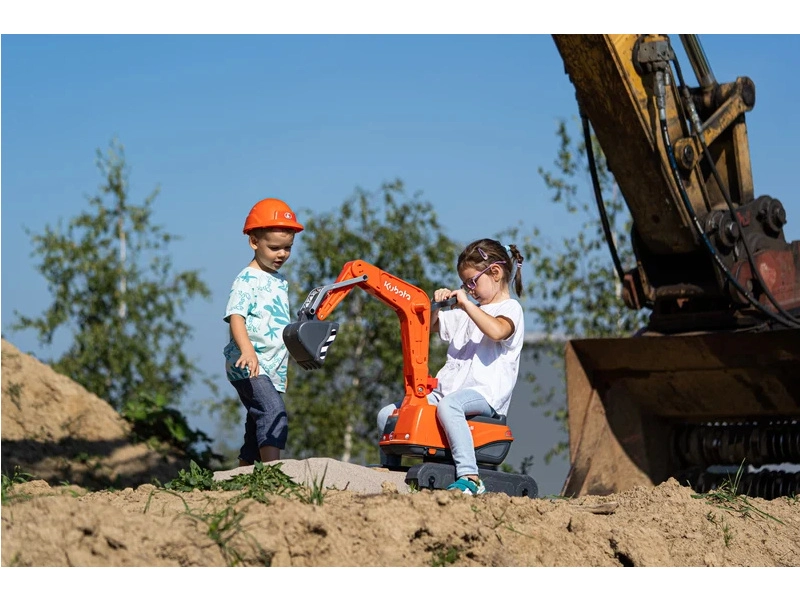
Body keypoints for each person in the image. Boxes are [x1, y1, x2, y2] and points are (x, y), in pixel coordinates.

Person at [376, 238, 525, 495]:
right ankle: (391, 467)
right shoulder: (466, 313)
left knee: (451, 405)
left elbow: (498, 331)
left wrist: (466, 303)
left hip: (484, 395)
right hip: (447, 393)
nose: (469, 289)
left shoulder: (510, 309)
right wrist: (435, 306)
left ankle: (470, 475)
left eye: (472, 282)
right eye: (465, 284)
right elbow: (430, 326)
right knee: (391, 413)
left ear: (496, 273)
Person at [223, 197, 303, 466]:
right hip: (248, 364)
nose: (281, 254)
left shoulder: (279, 281)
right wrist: (248, 351)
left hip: (271, 367)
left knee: (255, 422)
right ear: (254, 242)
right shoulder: (247, 279)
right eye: (274, 248)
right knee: (273, 412)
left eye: (288, 248)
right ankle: (271, 471)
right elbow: (236, 316)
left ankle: (244, 473)